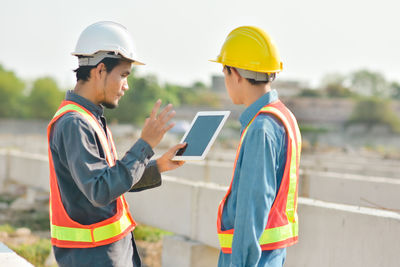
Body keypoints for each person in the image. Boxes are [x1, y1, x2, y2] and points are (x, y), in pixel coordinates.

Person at [47, 21, 186, 267]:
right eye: (123, 75)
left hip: (108, 254)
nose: (126, 85)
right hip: (94, 257)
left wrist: (158, 166)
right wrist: (144, 144)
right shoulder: (74, 123)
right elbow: (101, 190)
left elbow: (111, 180)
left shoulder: (90, 118)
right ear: (100, 70)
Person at [210, 26, 302, 266]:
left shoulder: (261, 127)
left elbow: (253, 206)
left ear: (236, 74)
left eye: (224, 71)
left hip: (252, 259)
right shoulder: (283, 117)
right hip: (270, 256)